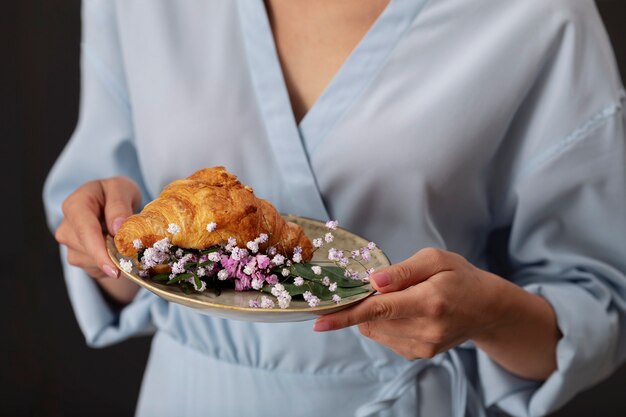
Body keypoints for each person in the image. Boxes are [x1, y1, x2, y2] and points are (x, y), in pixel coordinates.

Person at [43, 0, 626, 416]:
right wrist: (106, 243)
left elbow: (598, 302)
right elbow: (122, 262)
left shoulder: (542, 17)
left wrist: (489, 316)